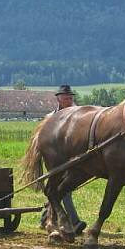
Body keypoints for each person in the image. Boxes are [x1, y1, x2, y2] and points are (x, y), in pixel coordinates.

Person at [39, 84, 87, 234]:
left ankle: (45, 219)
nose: (69, 100)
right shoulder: (50, 118)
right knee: (62, 189)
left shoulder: (80, 116)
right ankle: (74, 221)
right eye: (66, 98)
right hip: (56, 156)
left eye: (70, 97)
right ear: (59, 99)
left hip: (74, 157)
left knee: (57, 189)